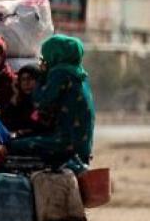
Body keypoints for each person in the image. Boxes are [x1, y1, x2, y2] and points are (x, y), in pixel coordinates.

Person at [10, 35, 95, 170]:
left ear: (54, 54)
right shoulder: (79, 75)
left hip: (66, 141)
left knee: (13, 145)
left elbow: (41, 101)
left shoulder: (60, 73)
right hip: (83, 145)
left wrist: (41, 76)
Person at [2, 64, 46, 137]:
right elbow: (5, 122)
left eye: (30, 79)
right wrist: (15, 96)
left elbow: (40, 127)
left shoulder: (43, 102)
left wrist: (20, 133)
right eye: (23, 80)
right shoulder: (18, 102)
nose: (26, 83)